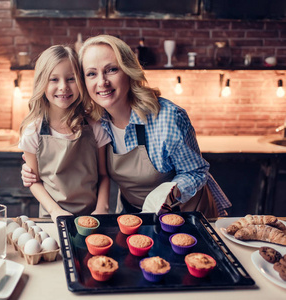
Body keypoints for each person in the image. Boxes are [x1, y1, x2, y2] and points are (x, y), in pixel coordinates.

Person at [22, 35, 231, 218]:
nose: (102, 82)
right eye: (92, 73)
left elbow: (196, 172)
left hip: (187, 214)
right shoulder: (97, 119)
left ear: (128, 71)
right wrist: (32, 171)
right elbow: (75, 158)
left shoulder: (168, 119)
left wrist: (169, 192)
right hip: (134, 214)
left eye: (111, 70)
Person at [18, 45, 111, 223]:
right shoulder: (33, 132)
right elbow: (33, 181)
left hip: (92, 216)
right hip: (51, 217)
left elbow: (103, 176)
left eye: (71, 79)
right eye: (54, 79)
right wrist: (55, 211)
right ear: (42, 83)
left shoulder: (95, 128)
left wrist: (102, 209)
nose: (63, 87)